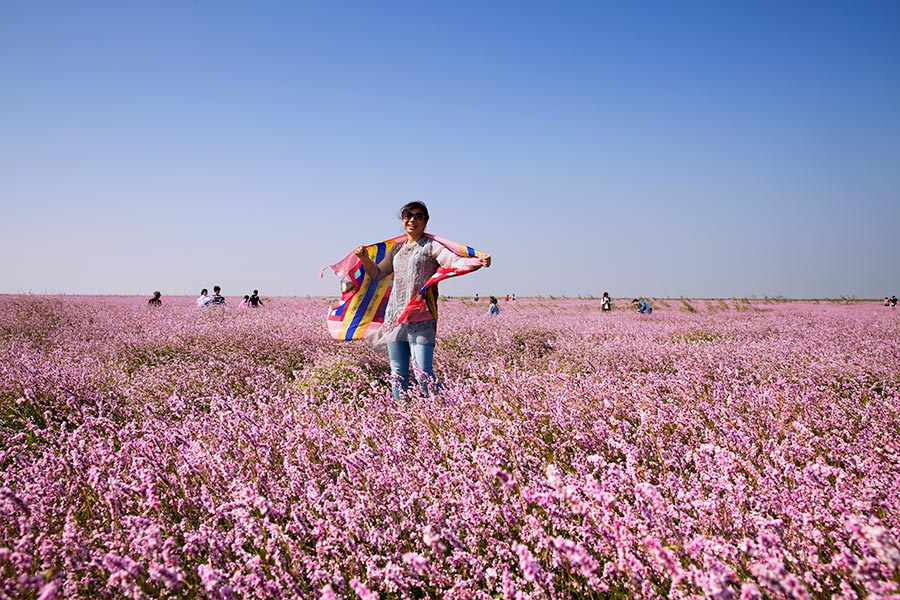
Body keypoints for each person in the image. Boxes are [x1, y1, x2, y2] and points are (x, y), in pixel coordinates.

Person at [349, 201, 491, 400]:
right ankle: (402, 415)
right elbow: (378, 273)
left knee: (423, 374)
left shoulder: (431, 246)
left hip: (421, 316)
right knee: (397, 373)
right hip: (395, 318)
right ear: (402, 219)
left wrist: (477, 261)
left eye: (418, 216)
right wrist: (364, 258)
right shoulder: (397, 249)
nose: (412, 219)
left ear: (425, 221)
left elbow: (453, 261)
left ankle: (445, 411)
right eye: (408, 215)